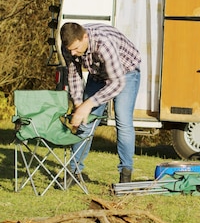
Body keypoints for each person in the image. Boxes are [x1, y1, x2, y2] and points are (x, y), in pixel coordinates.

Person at [60, 22, 141, 184]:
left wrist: (88, 104)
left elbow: (117, 82)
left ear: (85, 37)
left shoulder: (104, 43)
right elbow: (74, 76)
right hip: (97, 75)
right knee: (86, 123)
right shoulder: (68, 47)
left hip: (125, 73)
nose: (74, 54)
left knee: (123, 122)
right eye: (71, 50)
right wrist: (78, 105)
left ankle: (125, 175)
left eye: (77, 49)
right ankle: (73, 173)